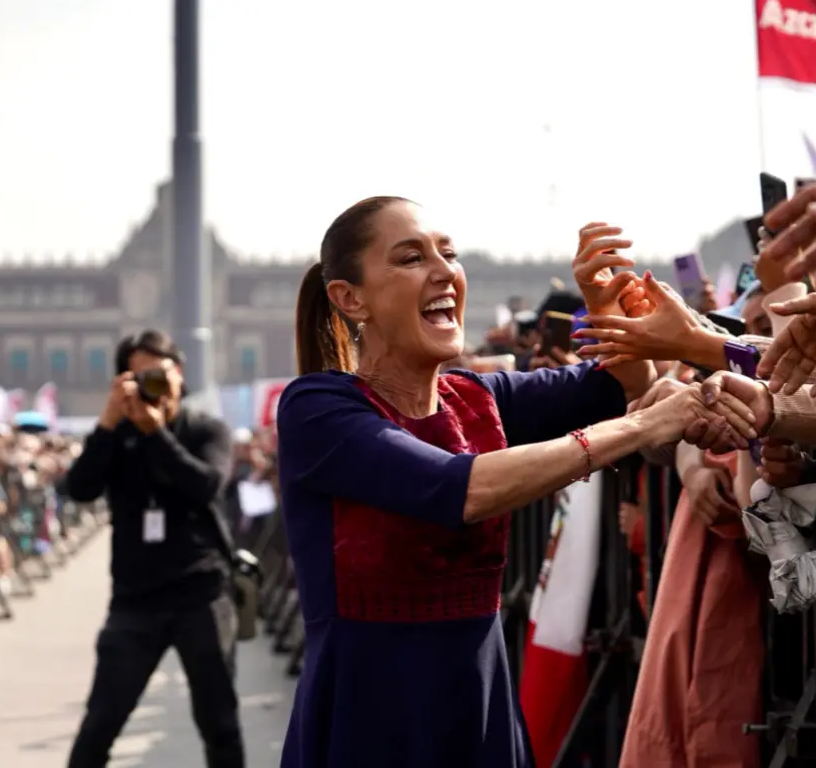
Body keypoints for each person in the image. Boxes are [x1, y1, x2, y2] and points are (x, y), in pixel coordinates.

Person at [275, 199, 755, 768]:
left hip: (480, 721)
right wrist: (644, 426)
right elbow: (461, 490)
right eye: (410, 258)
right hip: (371, 721)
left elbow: (622, 381)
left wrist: (607, 316)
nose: (442, 270)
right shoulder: (317, 408)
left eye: (447, 254)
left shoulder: (479, 398)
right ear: (350, 298)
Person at [65, 329, 244, 768]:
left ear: (179, 373)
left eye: (158, 374)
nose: (151, 386)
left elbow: (206, 486)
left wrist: (155, 433)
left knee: (220, 724)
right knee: (98, 727)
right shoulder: (116, 432)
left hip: (201, 594)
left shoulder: (206, 429)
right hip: (135, 599)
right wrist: (108, 421)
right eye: (138, 377)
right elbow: (80, 487)